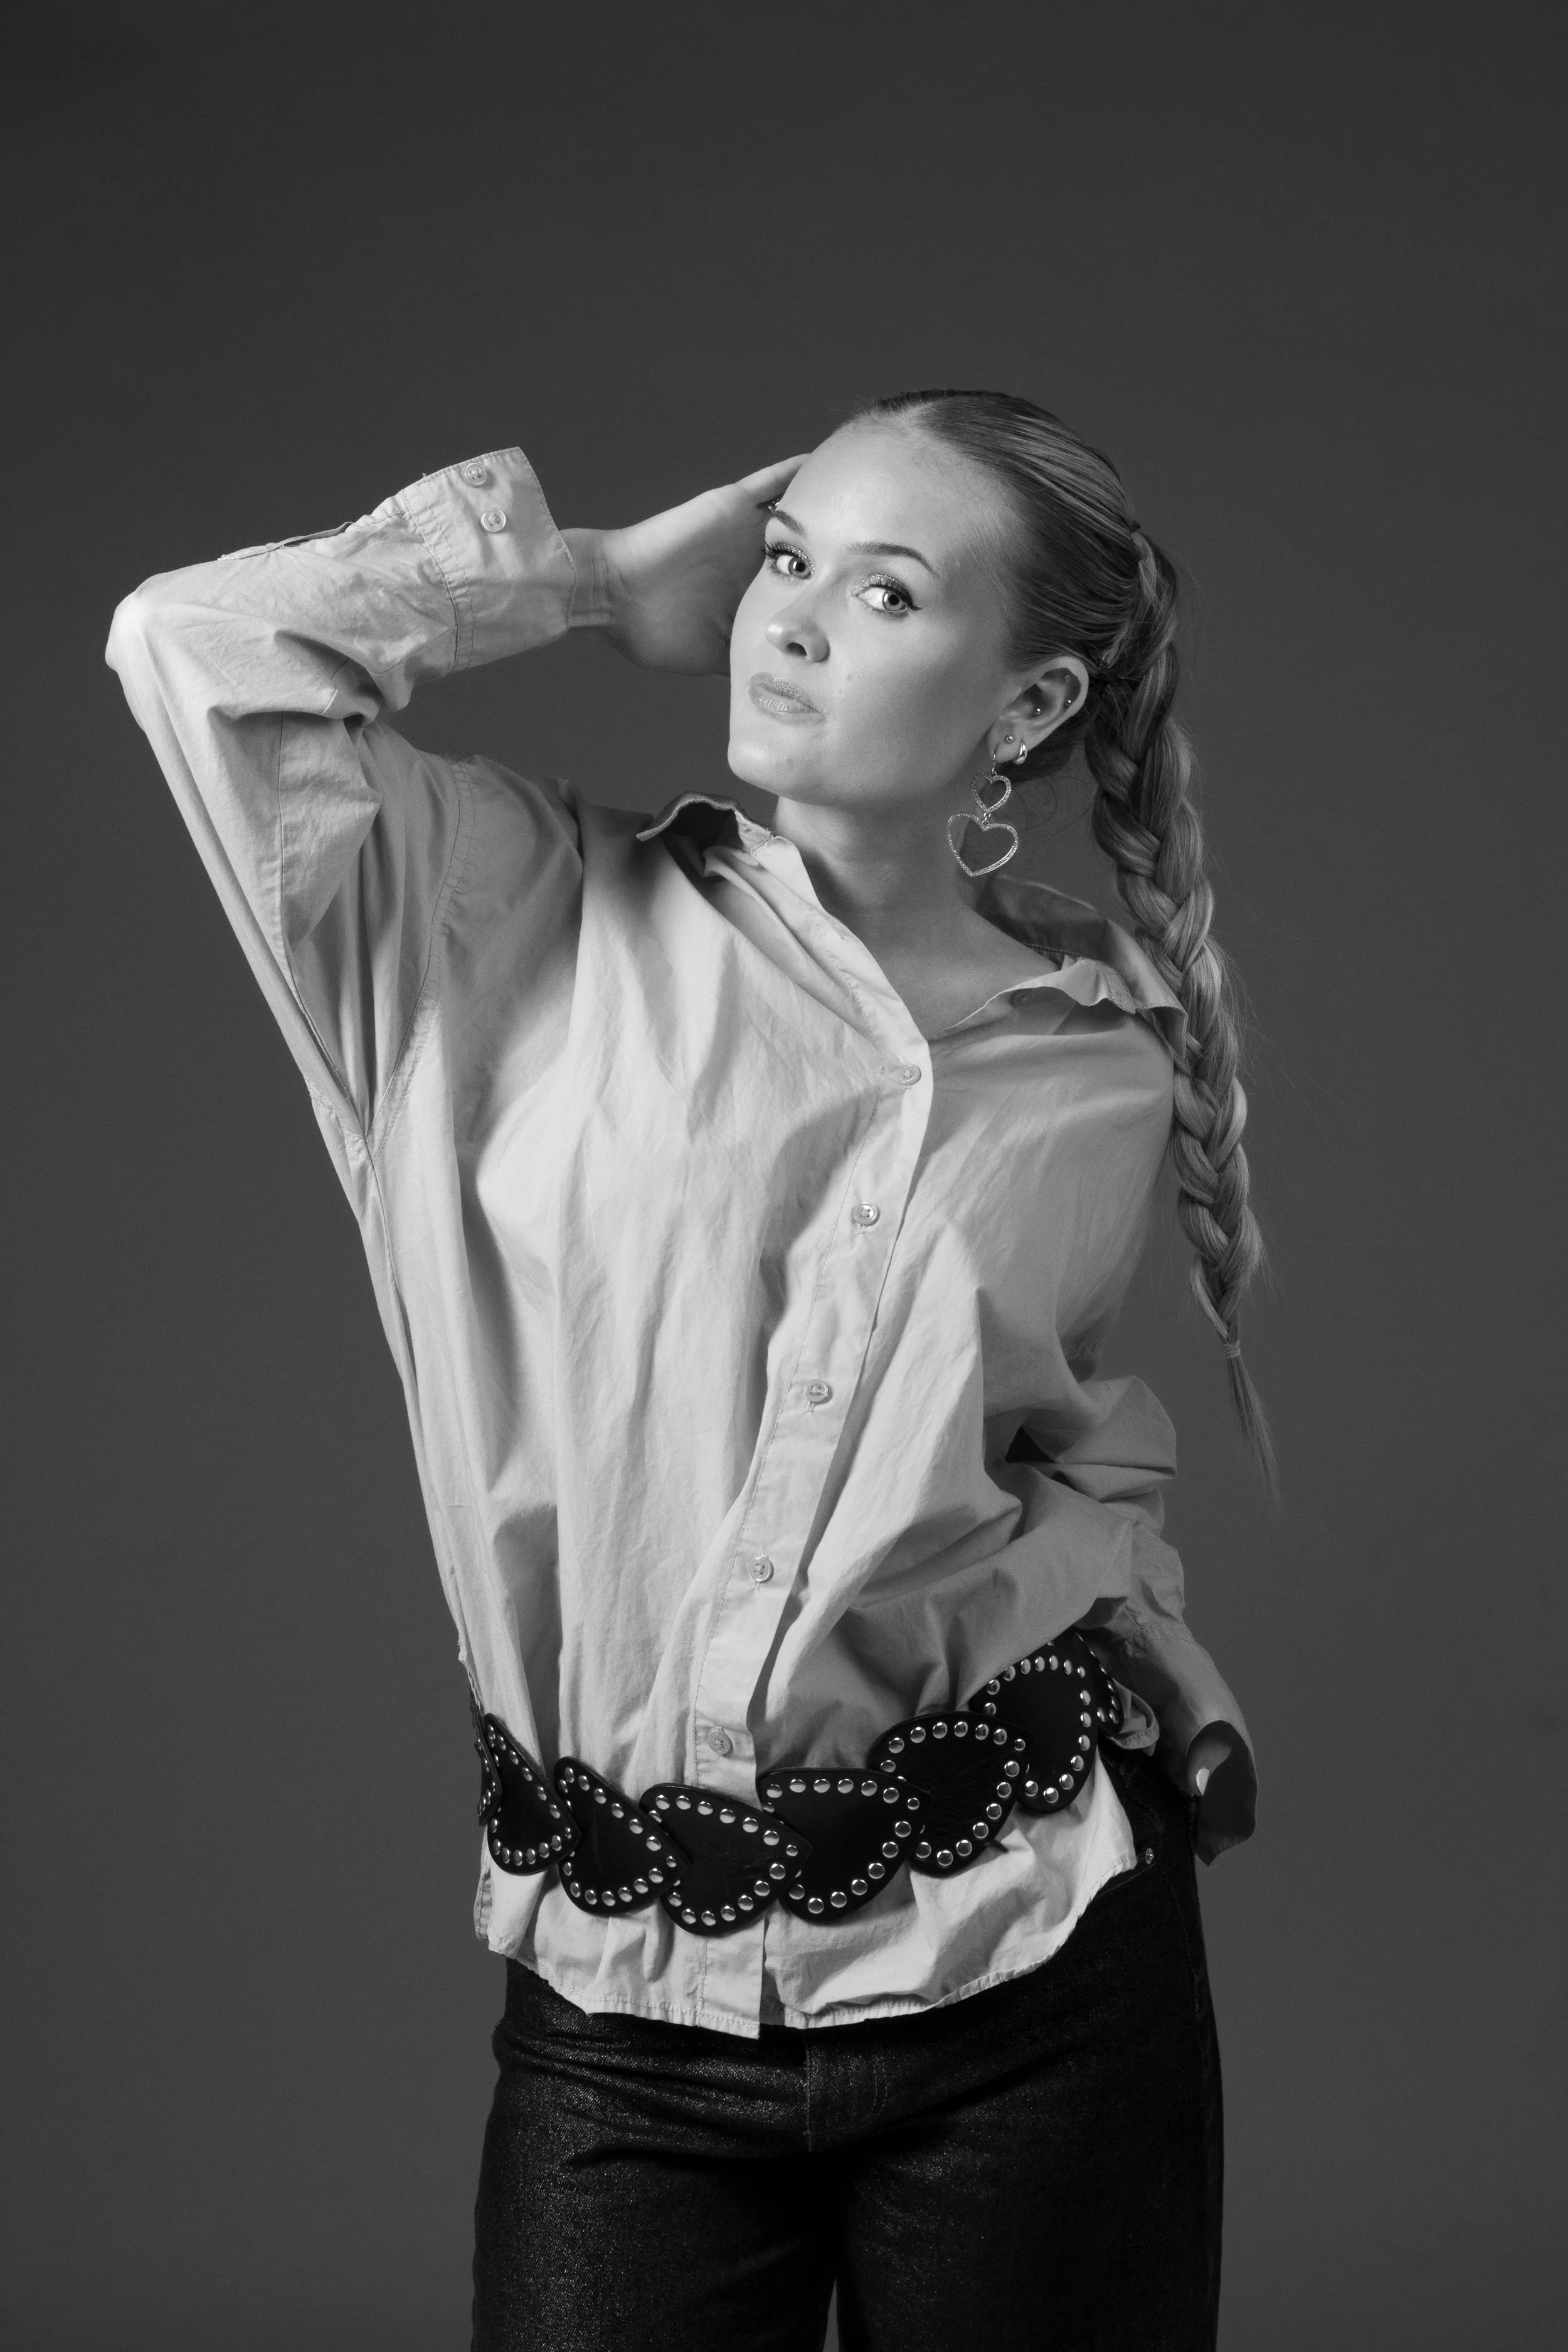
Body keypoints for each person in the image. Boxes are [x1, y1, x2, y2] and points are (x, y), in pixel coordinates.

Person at [107, 388, 1269, 2352]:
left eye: (882, 590)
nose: (789, 618)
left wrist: (1152, 1649)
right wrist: (583, 578)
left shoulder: (1101, 1051)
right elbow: (186, 648)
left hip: (1041, 1964)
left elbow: (1037, 1443)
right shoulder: (485, 915)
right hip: (624, 2026)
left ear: (1026, 704)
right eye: (786, 557)